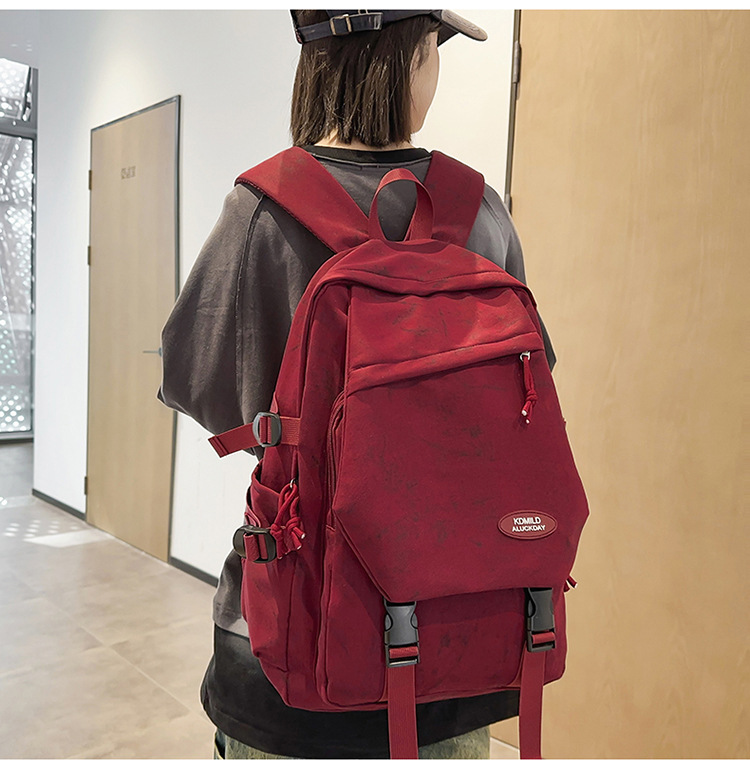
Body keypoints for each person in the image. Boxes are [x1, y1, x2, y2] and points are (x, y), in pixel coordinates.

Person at [158, 10, 556, 760]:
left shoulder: (263, 209)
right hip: (459, 634)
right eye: (435, 49)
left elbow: (200, 386)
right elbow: (525, 393)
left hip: (296, 636)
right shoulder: (481, 212)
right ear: (410, 56)